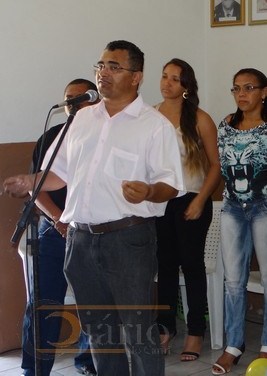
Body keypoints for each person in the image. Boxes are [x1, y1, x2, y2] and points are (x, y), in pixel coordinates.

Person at [4, 40, 184, 375]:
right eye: (100, 65)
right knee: (99, 331)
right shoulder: (81, 119)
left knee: (138, 332)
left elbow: (171, 184)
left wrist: (148, 190)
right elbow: (58, 174)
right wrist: (30, 181)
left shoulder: (153, 125)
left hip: (128, 239)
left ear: (136, 77)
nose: (104, 73)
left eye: (114, 66)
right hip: (81, 240)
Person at [212, 68, 267, 375]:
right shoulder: (226, 125)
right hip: (234, 207)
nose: (241, 94)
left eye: (249, 88)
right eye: (236, 88)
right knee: (233, 279)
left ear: (264, 92)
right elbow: (223, 167)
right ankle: (233, 346)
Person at [20, 79, 98, 376]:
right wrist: (58, 219)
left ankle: (88, 361)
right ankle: (34, 369)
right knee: (42, 303)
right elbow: (36, 187)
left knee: (93, 302)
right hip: (54, 230)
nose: (73, 103)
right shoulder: (51, 138)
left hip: (92, 231)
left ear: (94, 101)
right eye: (69, 98)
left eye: (80, 97)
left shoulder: (104, 137)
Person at [155, 59, 221, 361]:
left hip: (192, 199)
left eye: (175, 78)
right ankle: (165, 329)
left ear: (186, 86)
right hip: (159, 201)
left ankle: (195, 332)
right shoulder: (150, 116)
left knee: (192, 267)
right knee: (165, 267)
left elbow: (215, 166)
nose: (167, 83)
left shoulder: (200, 119)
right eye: (164, 76)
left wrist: (200, 200)